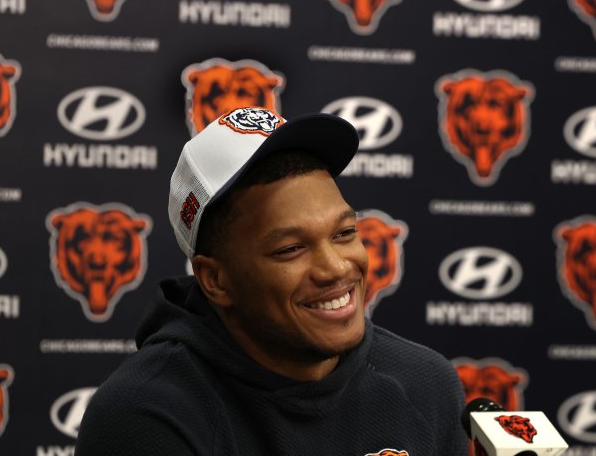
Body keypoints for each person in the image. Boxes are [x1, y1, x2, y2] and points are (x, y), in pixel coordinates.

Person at [75, 107, 468, 455]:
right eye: (290, 249)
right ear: (215, 280)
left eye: (344, 233)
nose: (335, 268)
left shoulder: (424, 383)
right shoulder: (147, 415)